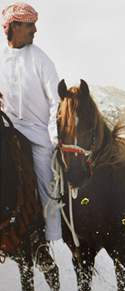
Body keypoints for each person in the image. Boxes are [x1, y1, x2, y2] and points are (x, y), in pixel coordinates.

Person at [0, 2, 61, 269]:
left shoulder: (40, 58)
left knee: (46, 183)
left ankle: (46, 240)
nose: (35, 30)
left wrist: (53, 134)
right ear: (14, 27)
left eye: (34, 25)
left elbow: (56, 101)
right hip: (7, 129)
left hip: (37, 134)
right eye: (29, 25)